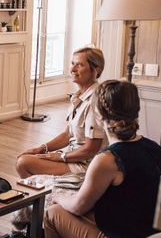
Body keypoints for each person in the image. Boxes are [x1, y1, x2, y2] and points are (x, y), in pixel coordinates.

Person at [44, 80, 161, 238]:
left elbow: (78, 206)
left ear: (99, 115)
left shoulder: (108, 160)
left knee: (53, 213)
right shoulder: (155, 148)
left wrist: (59, 195)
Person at [16, 47, 107, 178]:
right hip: (73, 158)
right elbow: (67, 134)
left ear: (96, 69)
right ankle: (44, 194)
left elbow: (91, 149)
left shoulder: (95, 101)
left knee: (23, 163)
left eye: (79, 65)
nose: (73, 69)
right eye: (72, 63)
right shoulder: (78, 97)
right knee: (26, 157)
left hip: (86, 166)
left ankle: (42, 195)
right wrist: (41, 149)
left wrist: (61, 157)